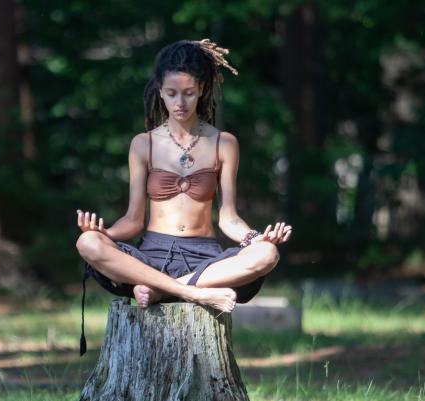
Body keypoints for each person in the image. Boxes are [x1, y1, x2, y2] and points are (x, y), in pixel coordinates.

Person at [74, 39, 292, 354]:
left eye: (188, 93)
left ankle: (163, 291)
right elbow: (133, 220)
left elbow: (228, 218)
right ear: (160, 91)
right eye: (172, 93)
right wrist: (104, 234)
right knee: (87, 244)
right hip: (151, 256)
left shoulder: (224, 143)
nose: (180, 102)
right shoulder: (143, 144)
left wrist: (256, 237)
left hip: (204, 258)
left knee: (267, 255)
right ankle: (194, 293)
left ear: (202, 89)